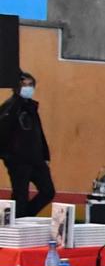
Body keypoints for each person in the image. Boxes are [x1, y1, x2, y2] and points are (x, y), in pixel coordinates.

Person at [1, 71, 55, 218]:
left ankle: (25, 216)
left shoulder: (31, 107)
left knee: (48, 191)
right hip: (18, 161)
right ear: (16, 87)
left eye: (30, 85)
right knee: (20, 195)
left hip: (36, 159)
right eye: (24, 85)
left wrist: (45, 154)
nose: (27, 88)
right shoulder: (9, 107)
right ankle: (18, 221)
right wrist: (8, 156)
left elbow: (38, 132)